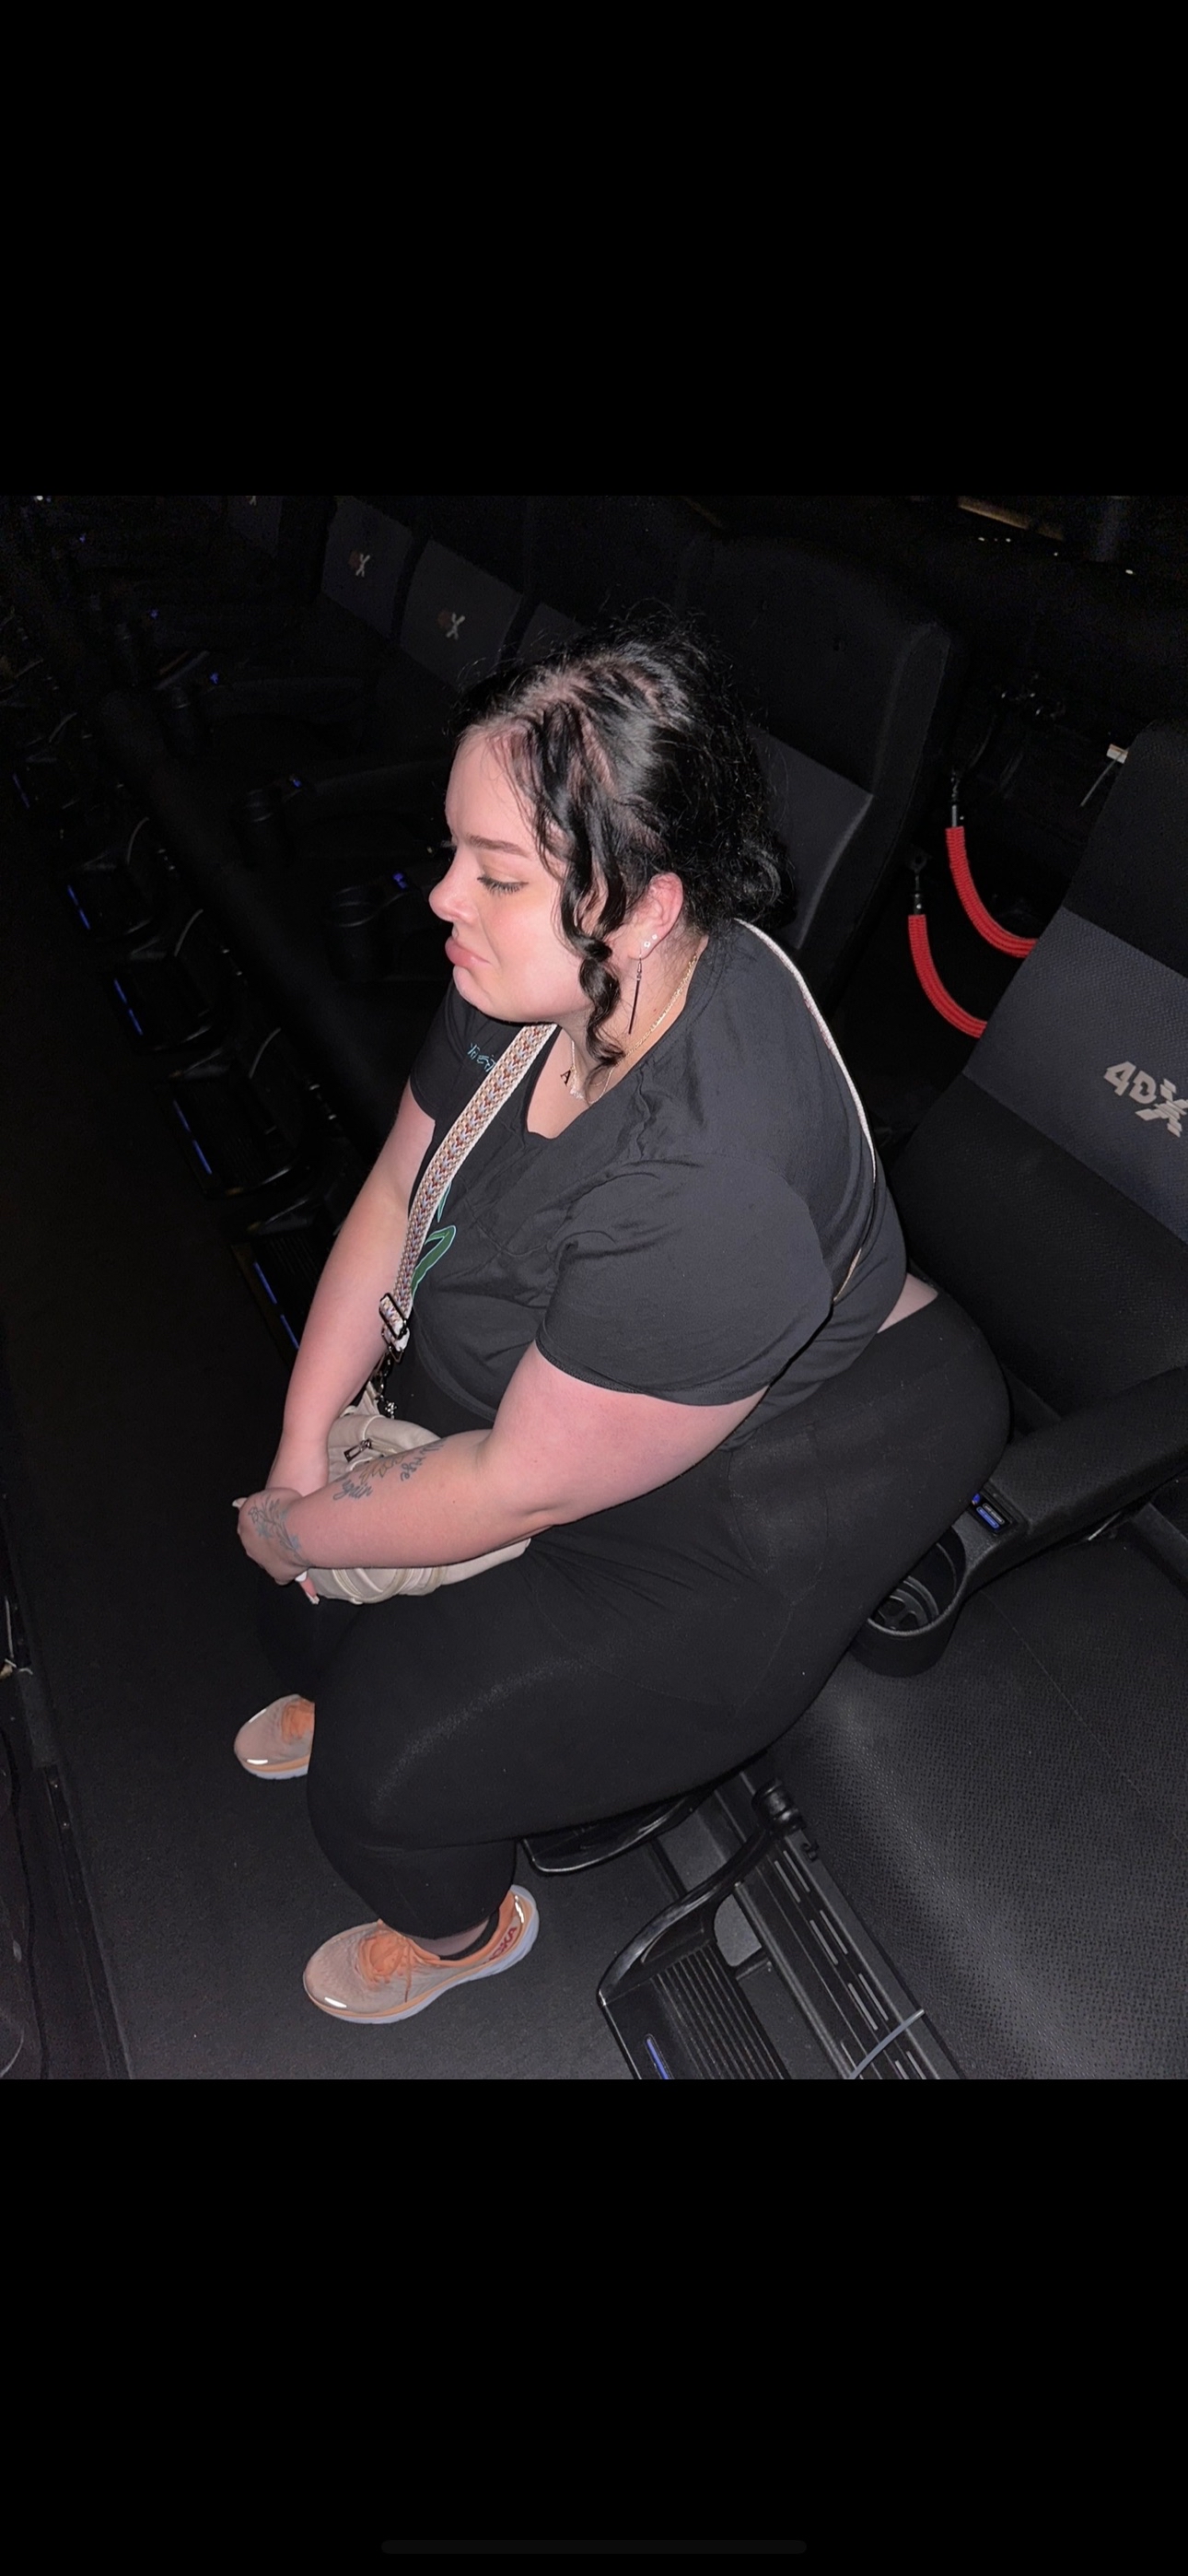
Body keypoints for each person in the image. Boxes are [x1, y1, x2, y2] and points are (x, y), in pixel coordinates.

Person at [233, 618, 1008, 2029]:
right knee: (306, 1610)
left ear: (643, 909)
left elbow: (513, 1485)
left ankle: (462, 1932)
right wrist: (299, 1462)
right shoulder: (536, 978)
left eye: (493, 873)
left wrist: (298, 1533)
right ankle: (347, 1657)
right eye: (455, 851)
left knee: (379, 1785)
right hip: (594, 1384)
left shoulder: (710, 1181)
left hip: (783, 1472)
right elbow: (397, 1192)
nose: (440, 896)